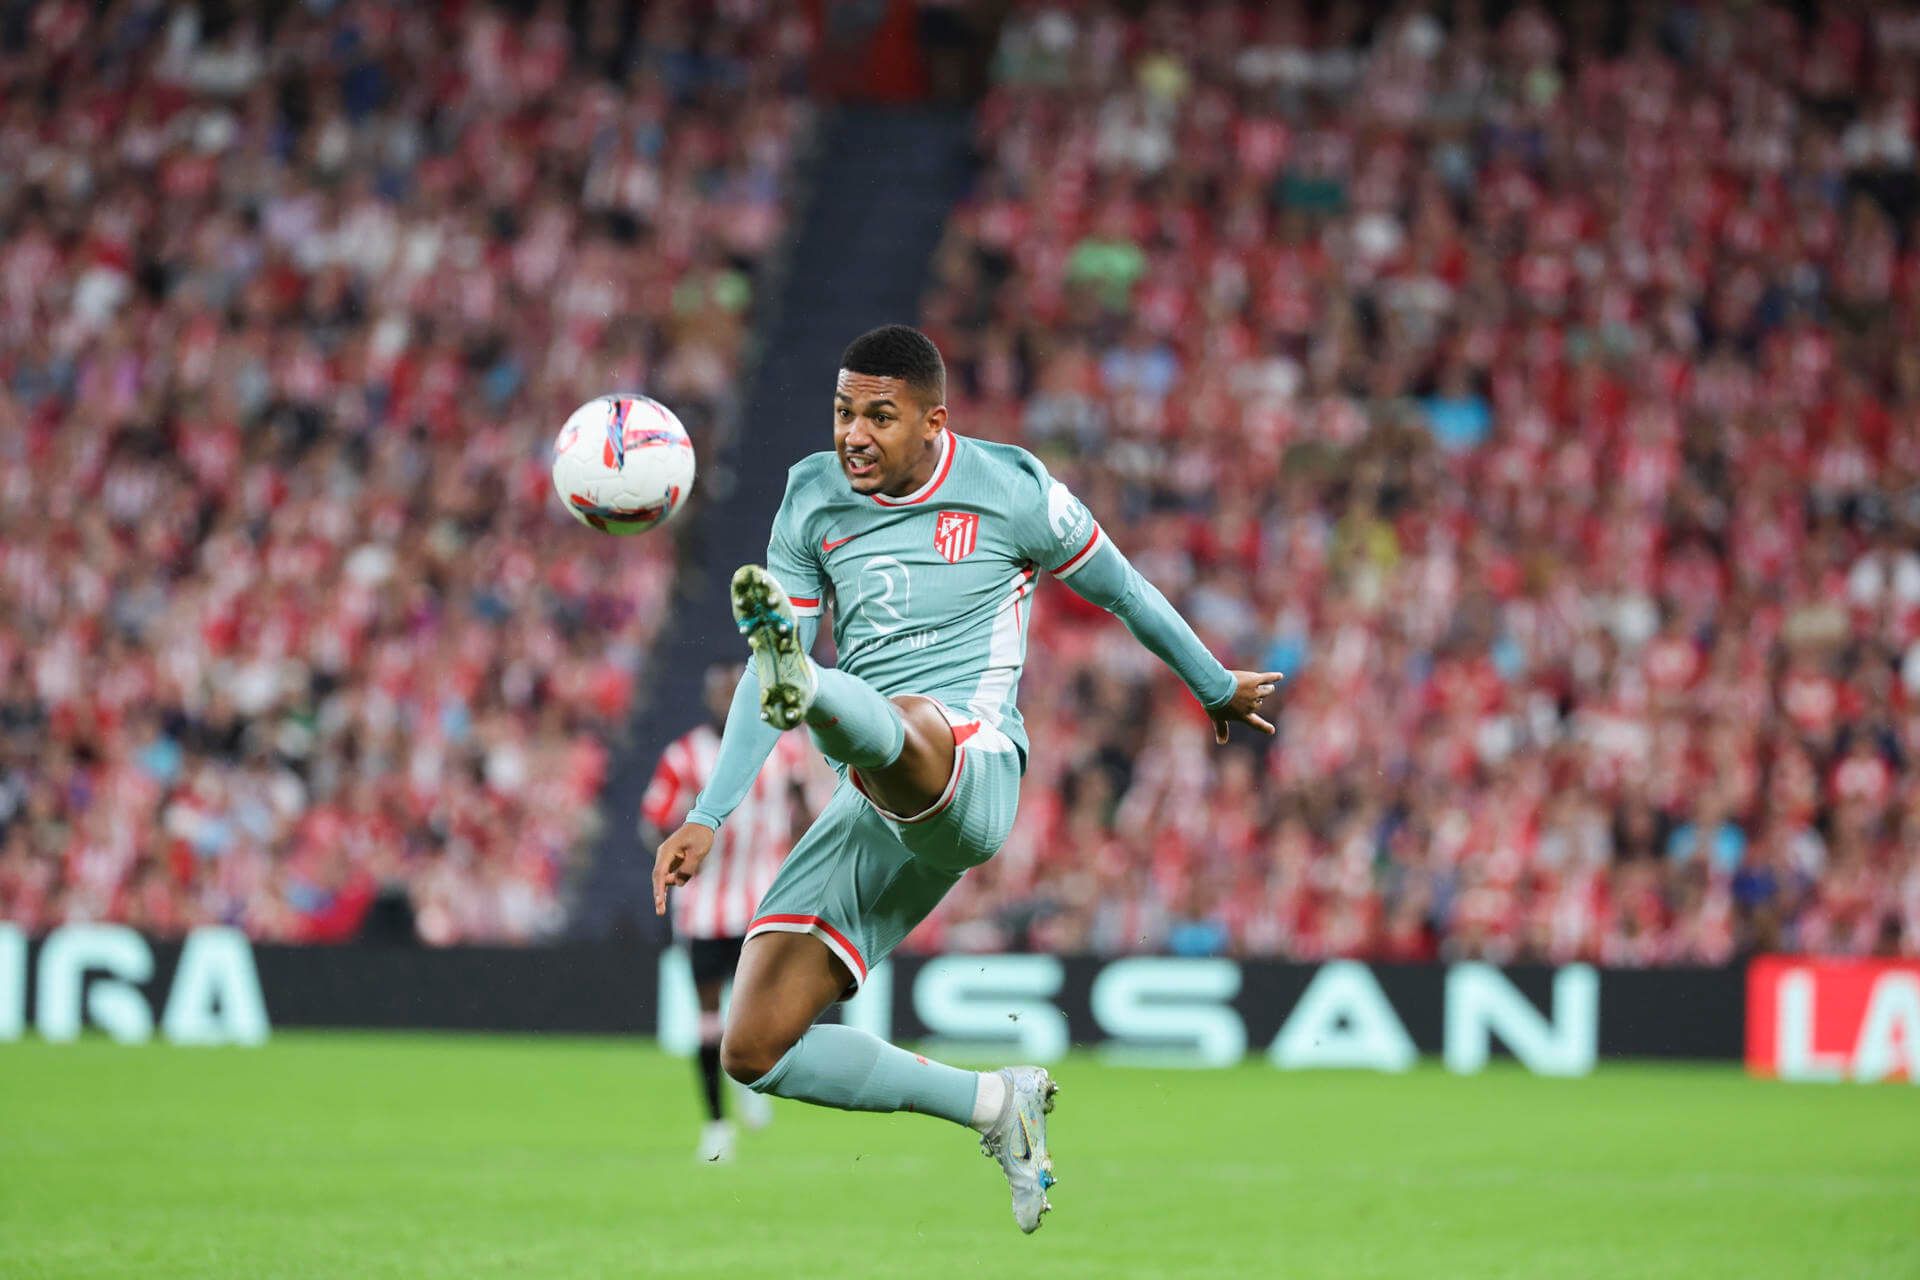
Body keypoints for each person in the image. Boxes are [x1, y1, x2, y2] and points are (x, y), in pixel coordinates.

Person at [651, 325, 1281, 1233]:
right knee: (756, 1047)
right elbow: (761, 678)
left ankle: (817, 684)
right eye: (842, 412)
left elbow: (1125, 590)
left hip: (971, 767)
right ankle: (995, 1104)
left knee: (898, 717)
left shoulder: (1013, 489)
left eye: (879, 415)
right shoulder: (811, 496)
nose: (853, 434)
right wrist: (711, 811)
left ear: (934, 421)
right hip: (866, 804)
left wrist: (1215, 686)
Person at [641, 663, 812, 1163]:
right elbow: (653, 823)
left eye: (731, 690)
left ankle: (749, 1080)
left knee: (757, 1009)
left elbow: (804, 810)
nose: (724, 699)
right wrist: (673, 856)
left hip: (765, 901)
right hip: (704, 909)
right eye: (716, 691)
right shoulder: (683, 756)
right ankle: (717, 1126)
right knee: (707, 1019)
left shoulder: (785, 745)